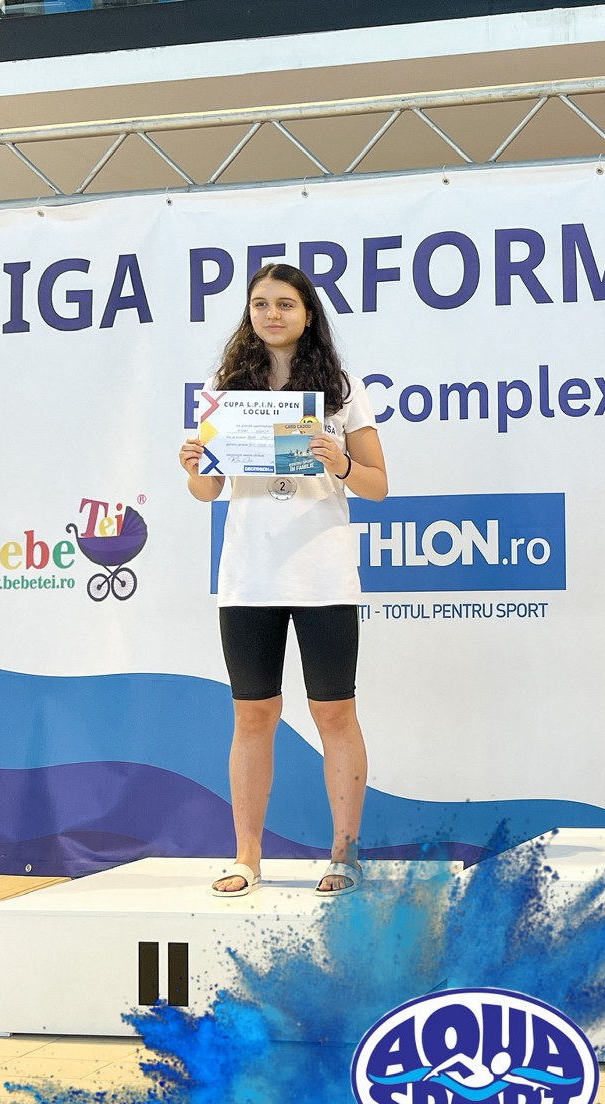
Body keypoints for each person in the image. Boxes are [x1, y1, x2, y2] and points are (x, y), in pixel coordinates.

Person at [178, 263, 389, 897]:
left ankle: (344, 855)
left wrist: (340, 461)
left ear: (308, 313)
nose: (272, 314)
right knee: (252, 716)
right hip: (249, 575)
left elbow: (378, 485)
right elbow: (208, 491)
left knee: (335, 712)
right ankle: (247, 857)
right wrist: (193, 467)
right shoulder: (225, 388)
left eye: (285, 304)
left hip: (322, 573)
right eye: (261, 304)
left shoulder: (341, 388)